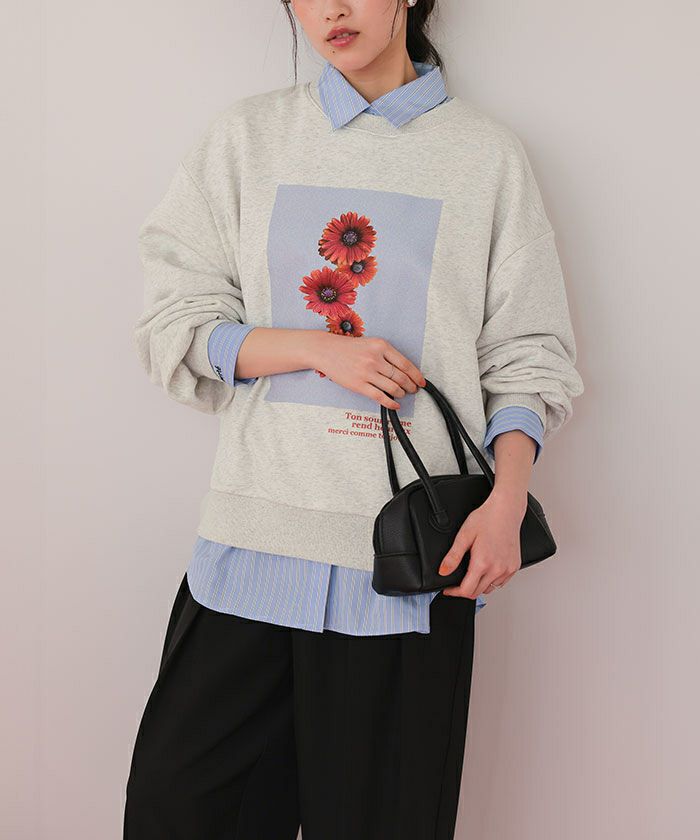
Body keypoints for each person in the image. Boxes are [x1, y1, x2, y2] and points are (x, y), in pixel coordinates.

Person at [123, 1, 584, 838]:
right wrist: (315, 348)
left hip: (410, 572)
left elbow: (527, 353)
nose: (329, 8)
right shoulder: (246, 139)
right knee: (177, 811)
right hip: (252, 553)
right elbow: (173, 323)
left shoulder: (486, 157)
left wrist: (508, 501)